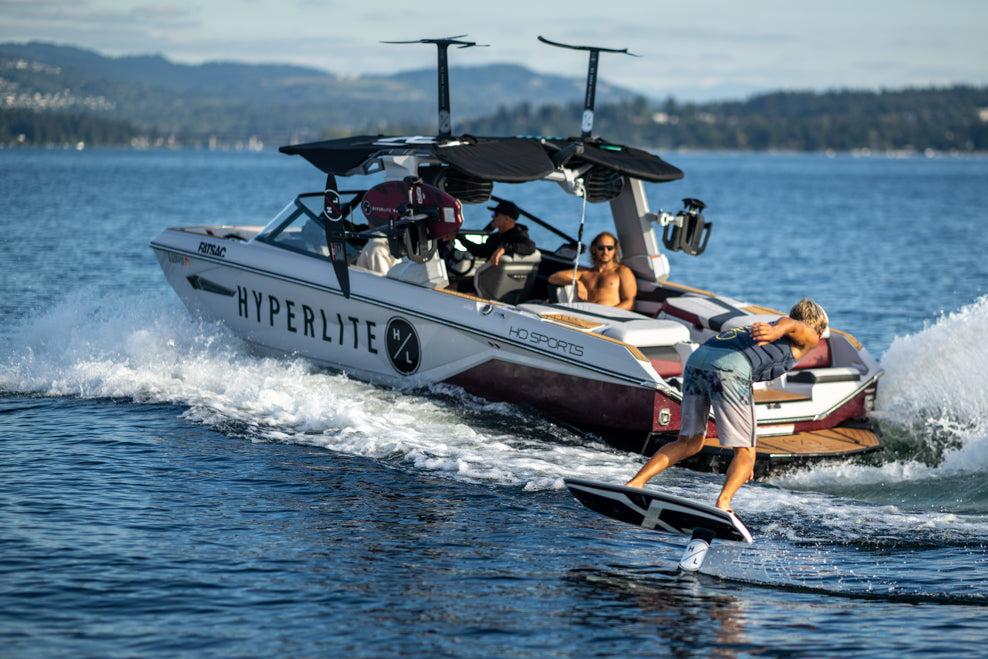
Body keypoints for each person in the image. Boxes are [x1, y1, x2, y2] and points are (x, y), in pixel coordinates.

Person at [625, 298, 829, 512]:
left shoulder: (761, 334)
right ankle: (723, 503)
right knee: (746, 454)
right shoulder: (806, 334)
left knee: (690, 442)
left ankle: (636, 483)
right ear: (817, 326)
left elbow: (748, 374)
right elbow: (793, 324)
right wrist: (776, 330)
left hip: (698, 361)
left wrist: (744, 460)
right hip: (729, 367)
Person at [547, 231, 637, 310]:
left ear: (615, 250)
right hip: (587, 316)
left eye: (609, 248)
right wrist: (577, 282)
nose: (605, 251)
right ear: (594, 249)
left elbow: (630, 303)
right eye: (601, 248)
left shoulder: (622, 271)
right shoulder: (585, 273)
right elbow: (553, 277)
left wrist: (609, 314)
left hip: (610, 317)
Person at [459, 200, 536, 266]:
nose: (492, 216)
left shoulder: (518, 235)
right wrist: (460, 238)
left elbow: (530, 246)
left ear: (507, 219)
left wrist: (503, 249)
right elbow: (481, 251)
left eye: (495, 214)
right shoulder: (495, 237)